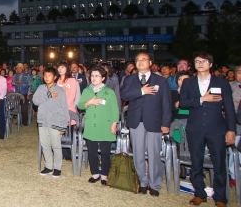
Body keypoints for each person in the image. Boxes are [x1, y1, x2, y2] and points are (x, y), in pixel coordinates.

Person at [180, 52, 235, 207]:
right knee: (196, 162)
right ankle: (200, 193)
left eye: (204, 61)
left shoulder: (221, 82)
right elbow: (183, 102)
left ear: (210, 64)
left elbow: (229, 108)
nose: (200, 63)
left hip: (216, 127)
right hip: (195, 128)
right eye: (197, 61)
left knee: (219, 163)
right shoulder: (188, 83)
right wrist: (202, 99)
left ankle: (220, 197)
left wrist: (231, 130)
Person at [121, 52, 171, 196]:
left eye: (144, 59)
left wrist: (165, 123)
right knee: (137, 153)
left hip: (154, 121)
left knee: (154, 153)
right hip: (136, 121)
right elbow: (124, 95)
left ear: (150, 63)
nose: (141, 62)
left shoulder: (160, 81)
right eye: (138, 60)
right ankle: (143, 182)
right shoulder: (129, 79)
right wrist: (141, 91)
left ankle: (154, 184)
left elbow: (166, 104)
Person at [77, 66, 119, 186]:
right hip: (91, 125)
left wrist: (114, 124)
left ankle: (104, 175)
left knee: (105, 152)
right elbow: (80, 105)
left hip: (105, 125)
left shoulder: (109, 92)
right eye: (92, 76)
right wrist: (89, 102)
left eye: (97, 76)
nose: (94, 78)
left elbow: (115, 109)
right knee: (92, 152)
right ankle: (95, 173)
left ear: (103, 78)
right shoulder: (87, 91)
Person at [32, 67, 69, 178]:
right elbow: (35, 101)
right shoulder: (40, 88)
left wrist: (63, 126)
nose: (47, 78)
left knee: (56, 146)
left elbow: (64, 109)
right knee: (45, 145)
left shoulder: (60, 91)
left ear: (55, 77)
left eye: (49, 75)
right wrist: (48, 95)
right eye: (45, 75)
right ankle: (48, 166)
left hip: (55, 122)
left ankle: (57, 168)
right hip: (43, 121)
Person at [56, 61, 80, 161]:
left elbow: (72, 96)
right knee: (58, 133)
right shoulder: (56, 80)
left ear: (67, 69)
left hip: (68, 110)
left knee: (68, 134)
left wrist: (64, 107)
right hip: (57, 110)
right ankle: (60, 153)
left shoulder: (71, 80)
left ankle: (69, 155)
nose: (60, 69)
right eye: (59, 67)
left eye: (63, 67)